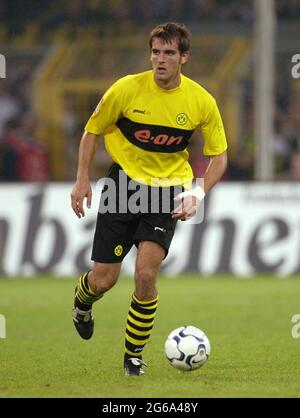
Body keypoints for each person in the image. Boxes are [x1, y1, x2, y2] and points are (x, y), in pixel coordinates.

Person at [71, 22, 228, 376]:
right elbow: (92, 130)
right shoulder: (126, 89)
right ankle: (82, 304)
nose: (160, 59)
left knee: (145, 275)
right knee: (104, 279)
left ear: (183, 57)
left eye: (169, 53)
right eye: (155, 52)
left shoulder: (201, 101)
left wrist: (198, 193)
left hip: (167, 191)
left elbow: (220, 156)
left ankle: (133, 358)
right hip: (123, 186)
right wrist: (82, 179)